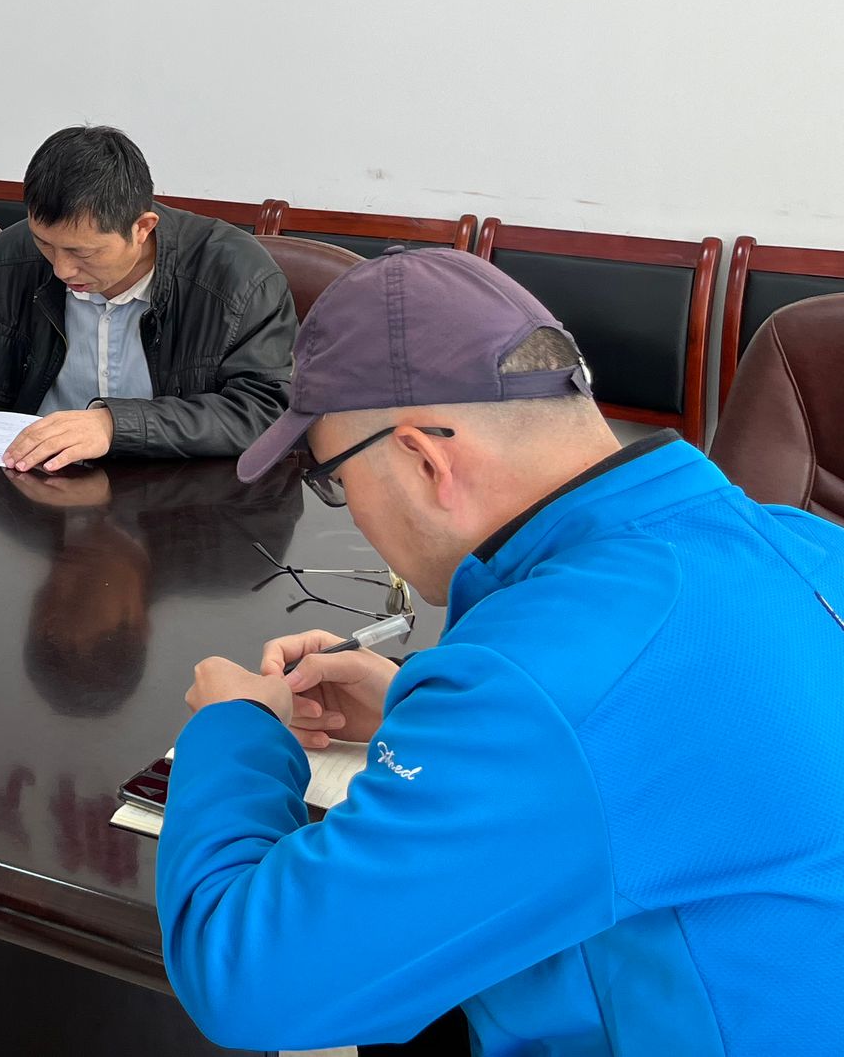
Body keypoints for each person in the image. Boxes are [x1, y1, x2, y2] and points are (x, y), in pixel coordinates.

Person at [159, 247, 844, 1055]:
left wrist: (235, 727)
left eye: (333, 478)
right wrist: (421, 700)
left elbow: (249, 982)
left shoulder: (544, 679)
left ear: (424, 460)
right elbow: (667, 746)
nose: (347, 507)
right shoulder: (800, 545)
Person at [0, 125, 294, 471]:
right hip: (33, 487)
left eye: (82, 253)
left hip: (175, 500)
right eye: (45, 244)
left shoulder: (237, 278)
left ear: (142, 228)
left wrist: (114, 425)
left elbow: (266, 410)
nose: (61, 270)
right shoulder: (12, 256)